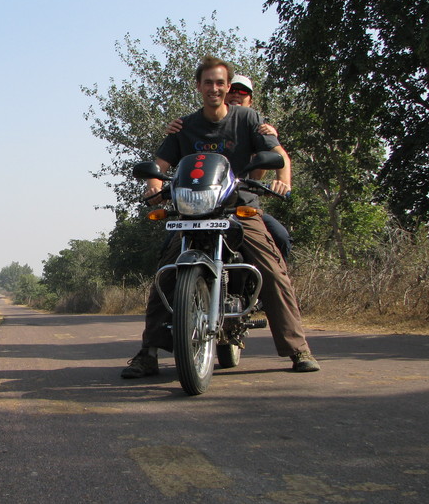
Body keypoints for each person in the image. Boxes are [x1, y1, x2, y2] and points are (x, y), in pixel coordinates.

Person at [122, 56, 320, 378]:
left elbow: (277, 153)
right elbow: (159, 165)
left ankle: (298, 349)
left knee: (271, 268)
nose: (214, 88)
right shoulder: (184, 126)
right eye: (207, 82)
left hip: (239, 206)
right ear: (199, 86)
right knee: (167, 272)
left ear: (227, 87)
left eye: (219, 83)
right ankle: (148, 354)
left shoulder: (248, 118)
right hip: (192, 211)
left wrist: (282, 180)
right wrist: (154, 186)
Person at [167, 74, 292, 259]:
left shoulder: (256, 125)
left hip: (241, 204)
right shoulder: (192, 124)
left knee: (280, 237)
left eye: (243, 92)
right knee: (167, 251)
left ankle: (279, 284)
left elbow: (267, 166)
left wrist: (283, 181)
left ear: (251, 99)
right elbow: (163, 160)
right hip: (201, 208)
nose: (236, 95)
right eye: (233, 90)